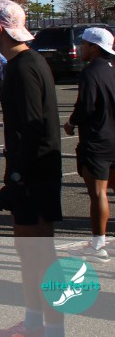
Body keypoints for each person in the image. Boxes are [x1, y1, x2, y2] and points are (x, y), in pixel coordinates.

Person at [0, 0, 63, 337]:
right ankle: (33, 323)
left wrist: (16, 179)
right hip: (34, 172)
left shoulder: (24, 67)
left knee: (39, 255)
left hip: (34, 175)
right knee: (28, 253)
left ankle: (53, 329)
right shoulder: (26, 62)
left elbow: (31, 127)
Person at [63, 27, 115, 263]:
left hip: (97, 140)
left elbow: (86, 105)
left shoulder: (91, 72)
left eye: (83, 44)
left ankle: (97, 244)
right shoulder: (112, 69)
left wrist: (71, 122)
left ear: (94, 47)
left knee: (98, 193)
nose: (81, 48)